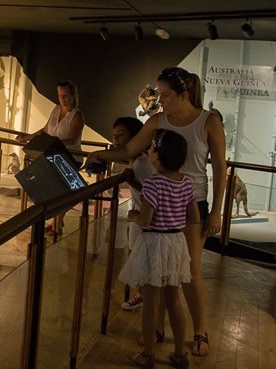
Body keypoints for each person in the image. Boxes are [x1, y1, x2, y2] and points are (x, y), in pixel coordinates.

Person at [86, 66, 226, 357]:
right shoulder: (158, 120)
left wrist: (216, 212)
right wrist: (99, 153)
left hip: (192, 203)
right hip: (161, 199)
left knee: (189, 271)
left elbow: (220, 168)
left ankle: (199, 331)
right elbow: (129, 151)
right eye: (159, 95)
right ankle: (158, 328)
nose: (160, 101)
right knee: (161, 271)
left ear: (184, 94)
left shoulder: (208, 121)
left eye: (165, 95)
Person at [119, 129, 199, 369]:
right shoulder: (186, 183)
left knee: (151, 301)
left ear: (159, 155)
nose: (149, 151)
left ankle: (149, 354)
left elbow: (145, 220)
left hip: (154, 244)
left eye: (152, 148)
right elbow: (193, 216)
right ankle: (178, 354)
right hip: (176, 243)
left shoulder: (154, 183)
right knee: (174, 299)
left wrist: (133, 215)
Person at [15, 80, 85, 234]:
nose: (62, 99)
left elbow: (72, 139)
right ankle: (57, 223)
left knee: (63, 192)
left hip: (70, 157)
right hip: (53, 155)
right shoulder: (55, 110)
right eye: (60, 95)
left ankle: (57, 223)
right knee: (53, 191)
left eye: (65, 95)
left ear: (73, 96)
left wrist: (53, 143)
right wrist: (28, 138)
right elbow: (45, 130)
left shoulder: (77, 116)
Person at [111, 117, 157, 311]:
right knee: (137, 256)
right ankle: (142, 293)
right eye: (114, 136)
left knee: (142, 258)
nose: (115, 141)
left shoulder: (142, 165)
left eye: (120, 135)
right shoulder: (137, 164)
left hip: (143, 220)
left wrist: (138, 216)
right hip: (138, 219)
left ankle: (146, 296)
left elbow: (153, 194)